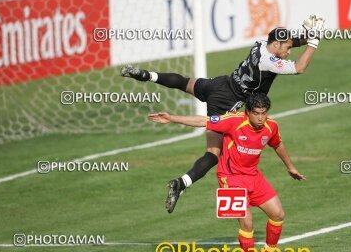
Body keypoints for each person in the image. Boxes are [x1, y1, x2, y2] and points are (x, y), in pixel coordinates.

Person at [123, 15, 323, 213]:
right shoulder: (269, 63)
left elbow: (291, 41)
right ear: (277, 45)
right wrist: (314, 41)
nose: (289, 50)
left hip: (220, 83)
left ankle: (147, 75)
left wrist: (310, 35)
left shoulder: (261, 44)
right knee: (213, 154)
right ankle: (181, 183)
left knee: (185, 82)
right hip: (227, 101)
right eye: (287, 48)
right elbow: (300, 67)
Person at [149, 93, 305, 252]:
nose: (261, 118)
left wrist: (290, 167)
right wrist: (171, 118)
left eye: (264, 113)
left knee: (278, 214)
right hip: (230, 177)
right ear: (248, 112)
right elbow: (202, 121)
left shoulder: (271, 126)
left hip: (253, 176)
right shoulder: (234, 121)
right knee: (247, 223)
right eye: (256, 113)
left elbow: (277, 144)